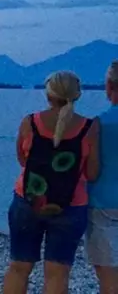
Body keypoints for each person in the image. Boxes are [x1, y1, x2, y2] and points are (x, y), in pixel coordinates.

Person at [2, 70, 100, 294]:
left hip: (28, 200)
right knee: (58, 273)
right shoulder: (90, 128)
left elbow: (22, 159)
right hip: (71, 206)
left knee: (19, 268)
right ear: (77, 95)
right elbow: (92, 173)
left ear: (48, 95)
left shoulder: (30, 122)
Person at [86, 60, 118, 293]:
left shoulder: (98, 124)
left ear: (109, 86)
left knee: (108, 279)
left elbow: (93, 171)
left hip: (104, 205)